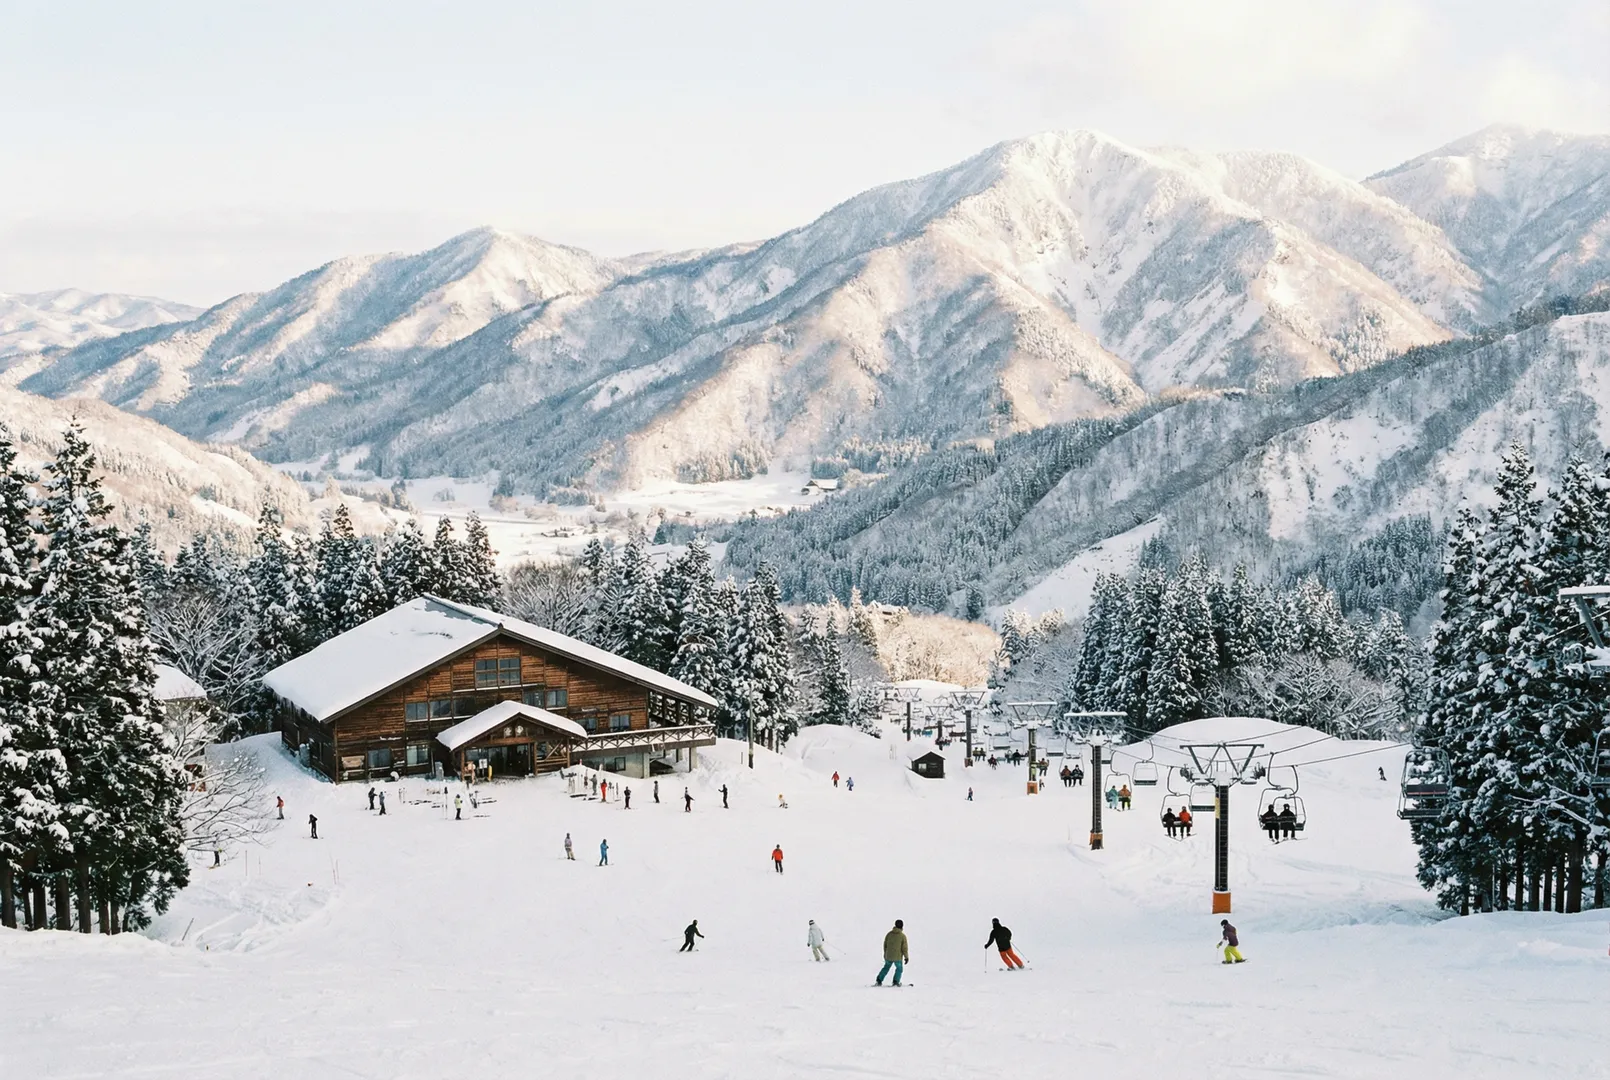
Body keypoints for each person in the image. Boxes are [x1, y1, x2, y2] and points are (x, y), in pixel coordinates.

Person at [876, 919, 908, 986]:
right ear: (902, 926)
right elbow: (904, 948)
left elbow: (885, 944)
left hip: (889, 956)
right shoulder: (902, 936)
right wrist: (906, 957)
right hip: (897, 957)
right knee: (899, 969)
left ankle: (879, 980)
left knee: (886, 967)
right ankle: (896, 981)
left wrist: (885, 953)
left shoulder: (889, 934)